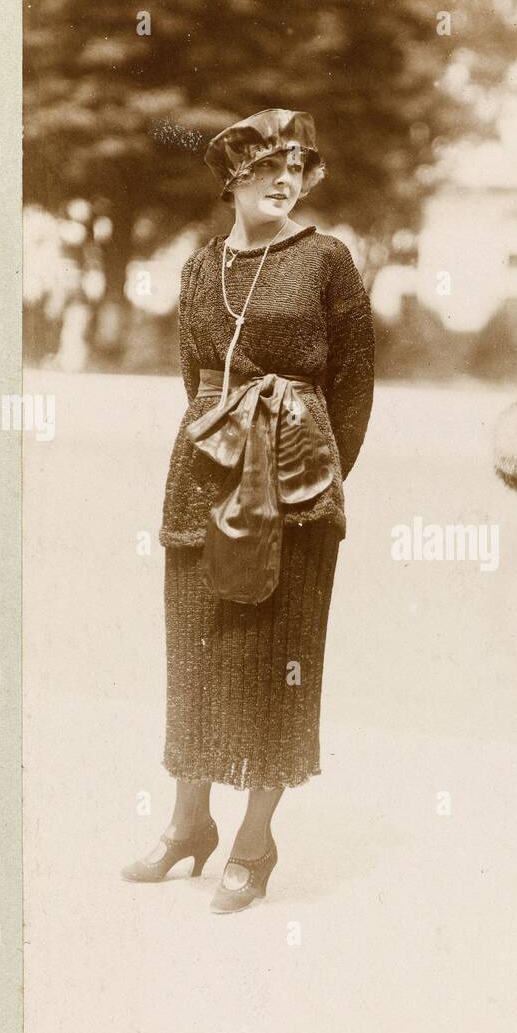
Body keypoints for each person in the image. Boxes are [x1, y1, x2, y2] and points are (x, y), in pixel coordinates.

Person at [122, 108, 374, 913]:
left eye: (297, 167)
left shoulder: (327, 261)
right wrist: (220, 446)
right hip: (202, 476)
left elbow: (354, 388)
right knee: (196, 648)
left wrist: (313, 476)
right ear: (231, 178)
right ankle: (187, 824)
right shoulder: (201, 267)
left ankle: (255, 842)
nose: (285, 180)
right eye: (268, 167)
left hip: (294, 488)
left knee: (277, 658)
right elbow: (193, 371)